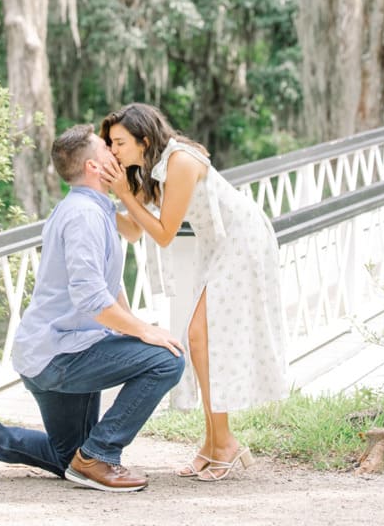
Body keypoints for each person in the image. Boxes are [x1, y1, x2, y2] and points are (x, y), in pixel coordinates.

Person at [0, 124, 185, 492]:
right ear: (93, 169)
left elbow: (108, 285)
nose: (116, 154)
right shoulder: (84, 215)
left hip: (60, 350)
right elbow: (90, 298)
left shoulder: (95, 209)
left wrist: (131, 324)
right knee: (168, 359)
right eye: (107, 150)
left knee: (68, 458)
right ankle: (100, 456)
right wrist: (145, 332)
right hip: (60, 355)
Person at [99, 102, 286, 481]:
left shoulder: (181, 161)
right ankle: (214, 443)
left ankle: (225, 442)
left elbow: (164, 234)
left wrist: (124, 192)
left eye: (118, 143)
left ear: (144, 139)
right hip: (217, 245)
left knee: (201, 336)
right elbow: (135, 230)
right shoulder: (151, 171)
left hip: (242, 239)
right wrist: (98, 201)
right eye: (110, 144)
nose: (113, 151)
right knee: (200, 339)